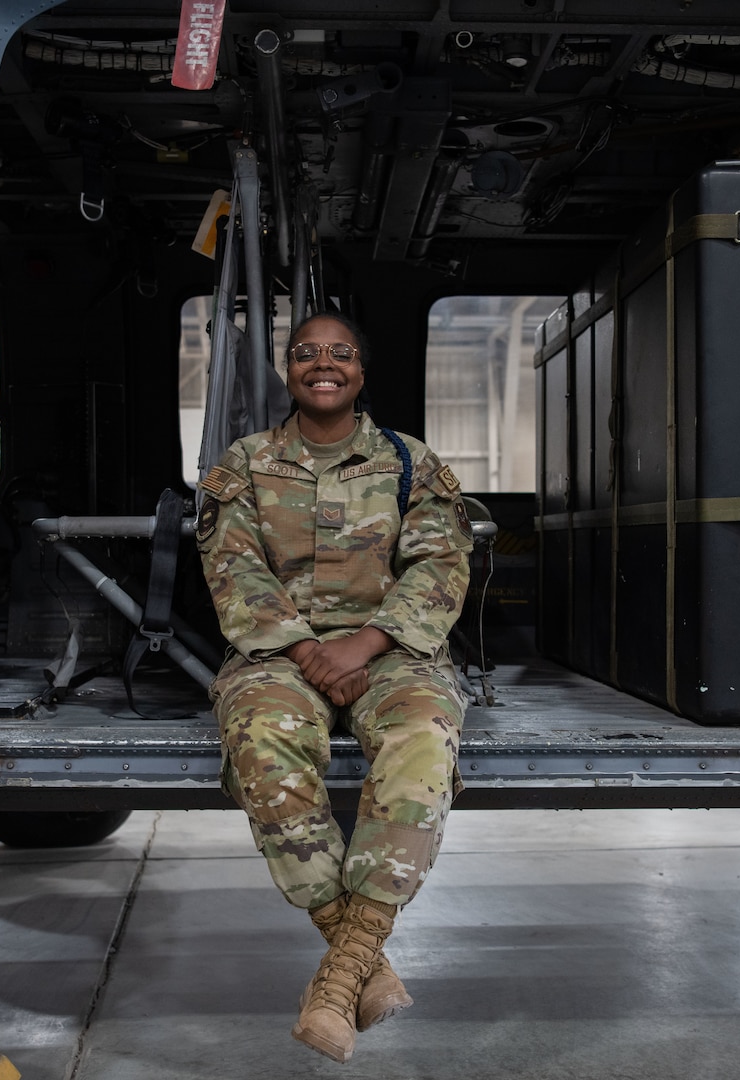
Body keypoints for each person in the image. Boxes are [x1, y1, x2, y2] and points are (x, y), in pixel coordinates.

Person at [195, 310, 473, 1063]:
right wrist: (307, 648)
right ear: (289, 369)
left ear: (361, 369)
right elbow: (234, 570)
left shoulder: (409, 462)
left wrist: (368, 641)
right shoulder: (246, 464)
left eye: (341, 353)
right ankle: (362, 964)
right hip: (280, 654)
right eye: (307, 353)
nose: (325, 364)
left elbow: (441, 567)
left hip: (392, 651)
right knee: (262, 740)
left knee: (424, 739)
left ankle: (338, 976)